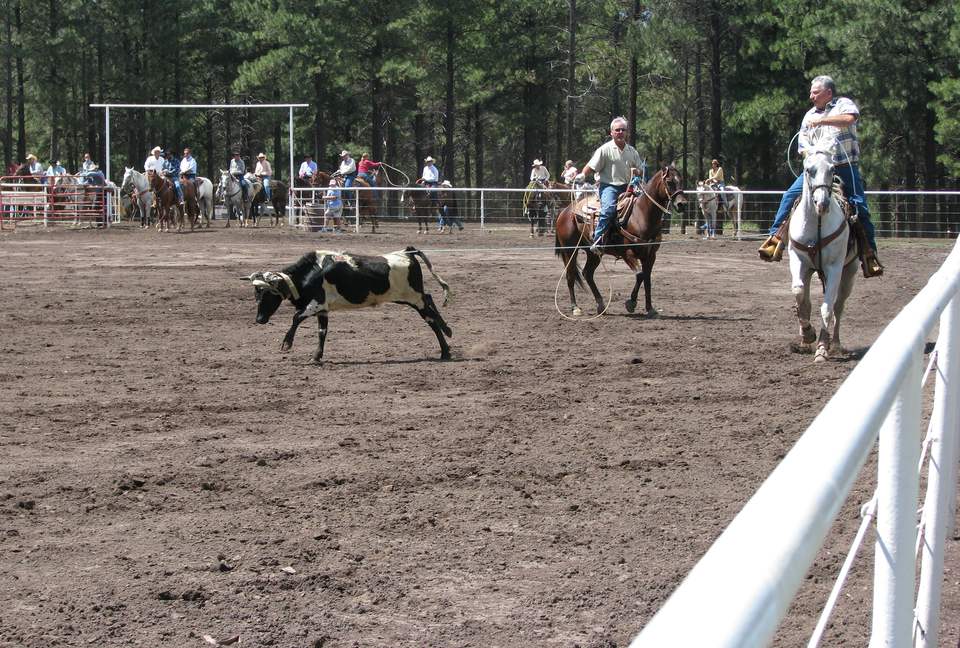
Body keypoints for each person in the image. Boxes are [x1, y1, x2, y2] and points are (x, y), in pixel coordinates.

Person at [759, 75, 883, 277]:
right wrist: (812, 156)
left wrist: (822, 121)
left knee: (859, 206)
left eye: (815, 92)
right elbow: (802, 145)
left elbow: (850, 119)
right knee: (789, 196)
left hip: (844, 166)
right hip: (817, 168)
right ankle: (775, 240)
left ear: (828, 93)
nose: (811, 96)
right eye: (811, 92)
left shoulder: (843, 104)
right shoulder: (808, 116)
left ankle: (869, 254)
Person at [577, 116, 643, 252]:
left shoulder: (632, 151)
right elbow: (591, 166)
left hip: (628, 187)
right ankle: (598, 239)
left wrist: (638, 171)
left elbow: (641, 170)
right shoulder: (604, 149)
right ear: (611, 132)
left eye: (623, 130)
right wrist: (583, 174)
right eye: (617, 130)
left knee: (644, 207)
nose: (620, 132)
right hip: (609, 187)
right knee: (608, 210)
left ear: (627, 132)